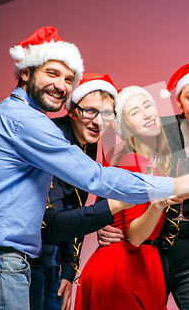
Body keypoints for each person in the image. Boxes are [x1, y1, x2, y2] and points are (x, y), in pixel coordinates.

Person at [0, 26, 189, 310]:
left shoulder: (19, 119)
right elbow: (93, 182)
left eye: (68, 79)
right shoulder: (26, 123)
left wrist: (70, 268)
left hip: (11, 262)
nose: (61, 85)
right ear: (25, 72)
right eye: (52, 73)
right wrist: (172, 186)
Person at [97, 59, 189, 310]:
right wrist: (104, 221)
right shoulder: (158, 129)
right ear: (179, 101)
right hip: (146, 256)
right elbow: (117, 163)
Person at [75, 86, 182, 310]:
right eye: (134, 113)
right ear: (126, 128)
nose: (146, 114)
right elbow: (135, 235)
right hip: (125, 268)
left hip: (136, 264)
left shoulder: (154, 161)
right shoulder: (132, 161)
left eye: (148, 105)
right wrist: (160, 203)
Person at [29, 73, 119, 310]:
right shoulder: (52, 137)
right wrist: (115, 206)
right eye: (90, 111)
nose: (98, 122)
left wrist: (69, 270)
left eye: (106, 114)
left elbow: (75, 206)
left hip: (54, 262)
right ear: (71, 110)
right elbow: (51, 222)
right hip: (27, 259)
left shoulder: (88, 145)